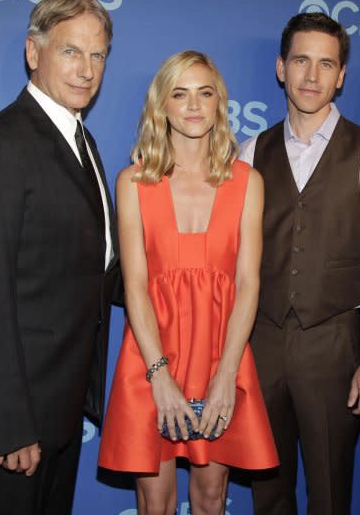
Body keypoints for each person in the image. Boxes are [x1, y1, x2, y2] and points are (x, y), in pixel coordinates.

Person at [0, 0, 120, 515]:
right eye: (71, 52)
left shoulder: (81, 141)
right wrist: (9, 425)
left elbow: (90, 272)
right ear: (33, 52)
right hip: (14, 421)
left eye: (98, 55)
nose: (87, 70)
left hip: (58, 408)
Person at [238, 13, 360, 515]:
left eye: (325, 64)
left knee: (330, 489)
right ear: (281, 68)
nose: (312, 76)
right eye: (301, 61)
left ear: (341, 75)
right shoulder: (249, 153)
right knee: (266, 485)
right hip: (260, 341)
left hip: (333, 343)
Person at [97, 51, 277, 515]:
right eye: (180, 93)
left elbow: (248, 284)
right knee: (154, 501)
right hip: (149, 356)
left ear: (220, 103)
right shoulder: (133, 182)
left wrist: (226, 376)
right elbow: (135, 285)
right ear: (162, 106)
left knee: (211, 496)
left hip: (221, 355)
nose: (194, 105)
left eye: (205, 92)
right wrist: (159, 377)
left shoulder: (247, 181)